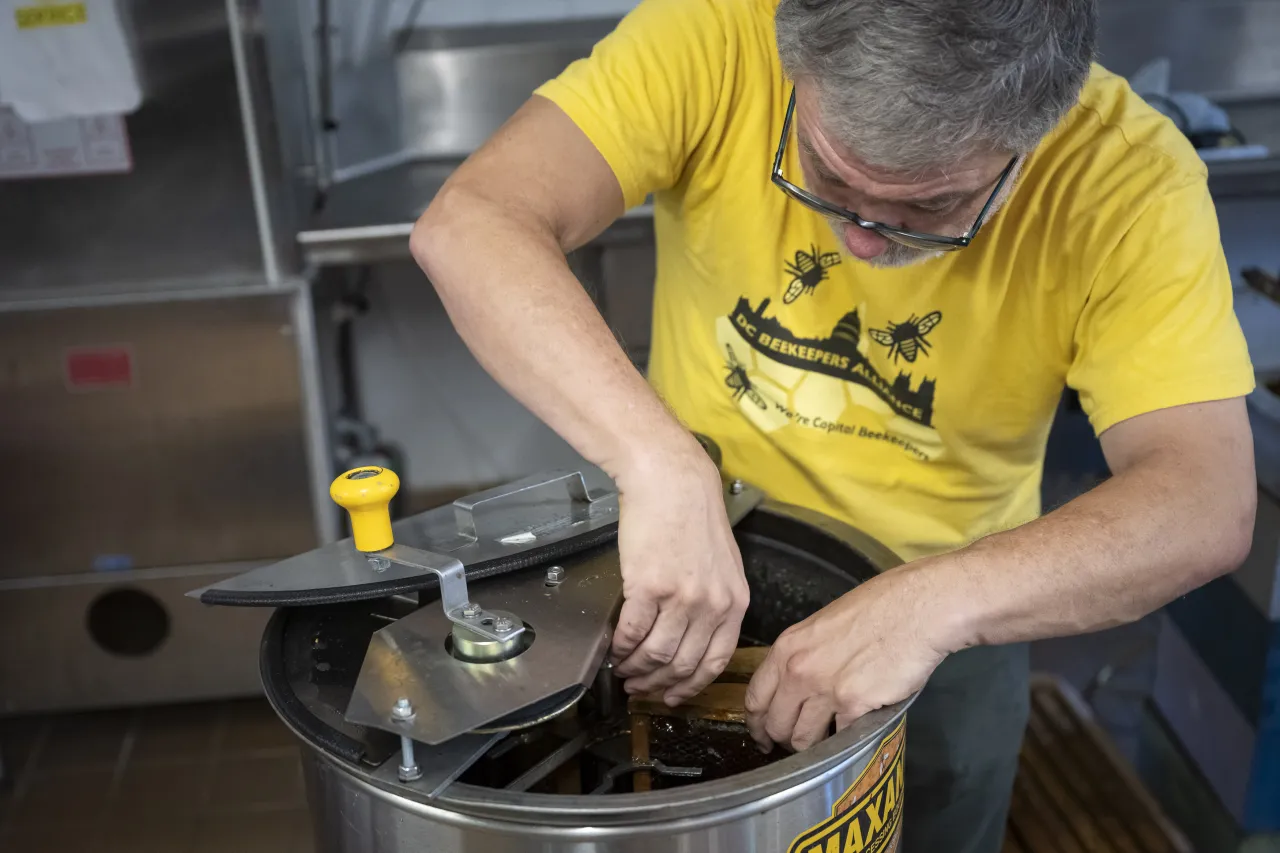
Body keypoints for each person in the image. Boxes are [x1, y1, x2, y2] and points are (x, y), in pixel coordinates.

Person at [410, 0, 1257, 849]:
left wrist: (933, 604)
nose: (858, 241)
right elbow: (472, 223)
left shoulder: (1127, 177)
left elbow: (1204, 500)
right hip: (694, 564)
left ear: (1035, 136)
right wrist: (660, 466)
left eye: (929, 206)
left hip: (966, 609)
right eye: (828, 172)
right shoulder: (714, 33)